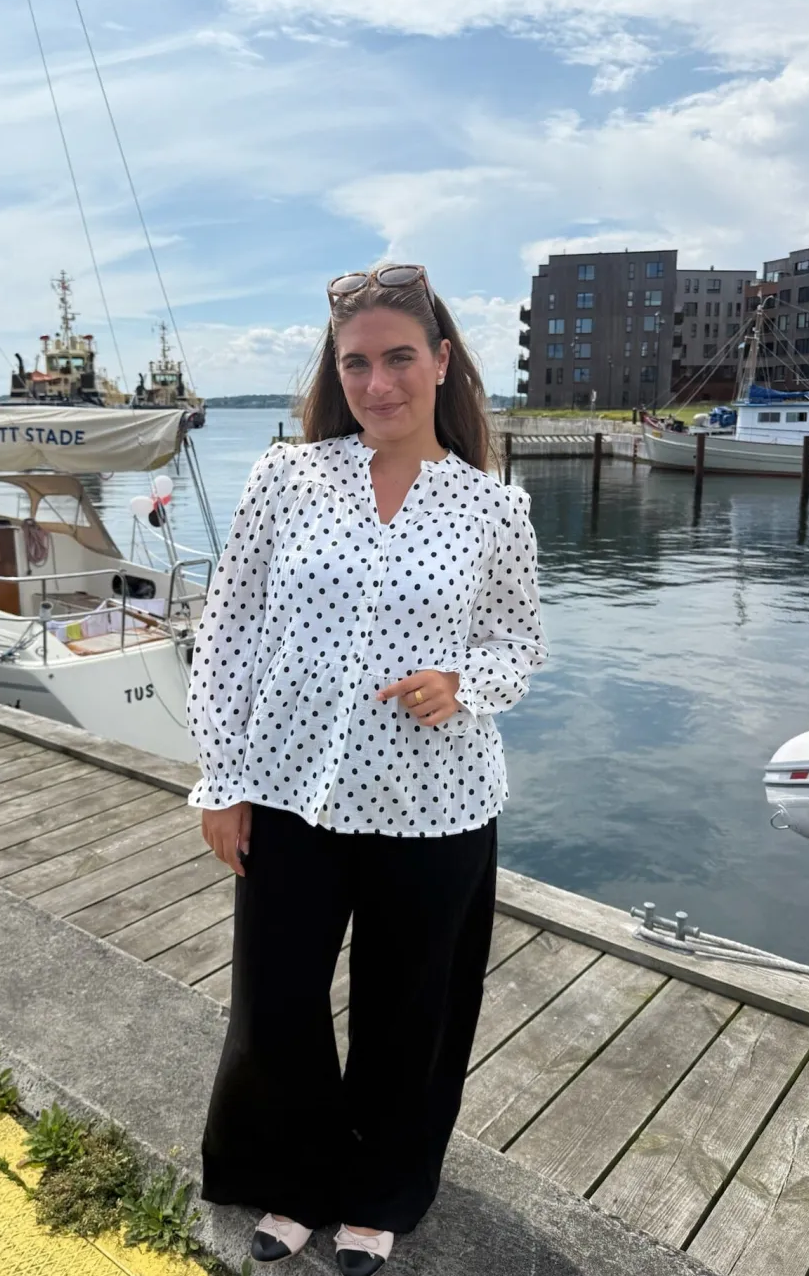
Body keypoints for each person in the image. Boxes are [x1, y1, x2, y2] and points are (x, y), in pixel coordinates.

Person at [187, 264, 546, 1273]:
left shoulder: (492, 508)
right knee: (276, 999)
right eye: (355, 363)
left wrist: (462, 682)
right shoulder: (285, 477)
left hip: (437, 803)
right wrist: (221, 777)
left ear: (441, 360)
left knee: (411, 1011)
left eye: (397, 358)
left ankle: (382, 1189)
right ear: (334, 372)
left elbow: (519, 645)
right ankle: (294, 1176)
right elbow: (228, 629)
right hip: (288, 789)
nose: (377, 383)